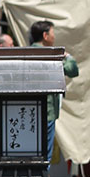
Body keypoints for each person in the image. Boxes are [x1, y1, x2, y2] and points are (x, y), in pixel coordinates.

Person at [29, 19, 79, 162]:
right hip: (48, 110)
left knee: (30, 153)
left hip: (29, 109)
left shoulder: (26, 52)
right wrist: (68, 57)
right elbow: (72, 70)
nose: (54, 37)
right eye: (52, 33)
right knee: (45, 155)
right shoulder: (50, 55)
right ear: (45, 36)